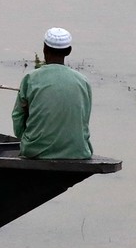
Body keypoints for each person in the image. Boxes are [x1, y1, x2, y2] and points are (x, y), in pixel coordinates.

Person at [11, 28, 94, 159]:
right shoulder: (83, 81)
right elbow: (84, 120)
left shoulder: (31, 79)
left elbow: (18, 118)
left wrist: (25, 139)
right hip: (78, 152)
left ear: (44, 49)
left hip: (35, 150)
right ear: (69, 51)